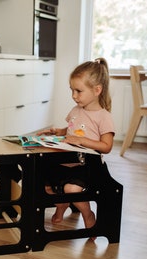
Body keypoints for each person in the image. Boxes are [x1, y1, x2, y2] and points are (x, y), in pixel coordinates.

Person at [37, 57, 115, 239]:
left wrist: (83, 141)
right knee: (45, 184)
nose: (74, 95)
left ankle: (88, 214)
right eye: (72, 90)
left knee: (71, 190)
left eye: (78, 91)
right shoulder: (76, 110)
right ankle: (62, 205)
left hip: (87, 168)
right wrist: (58, 131)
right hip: (64, 162)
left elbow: (107, 146)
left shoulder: (103, 117)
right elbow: (71, 130)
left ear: (97, 90)